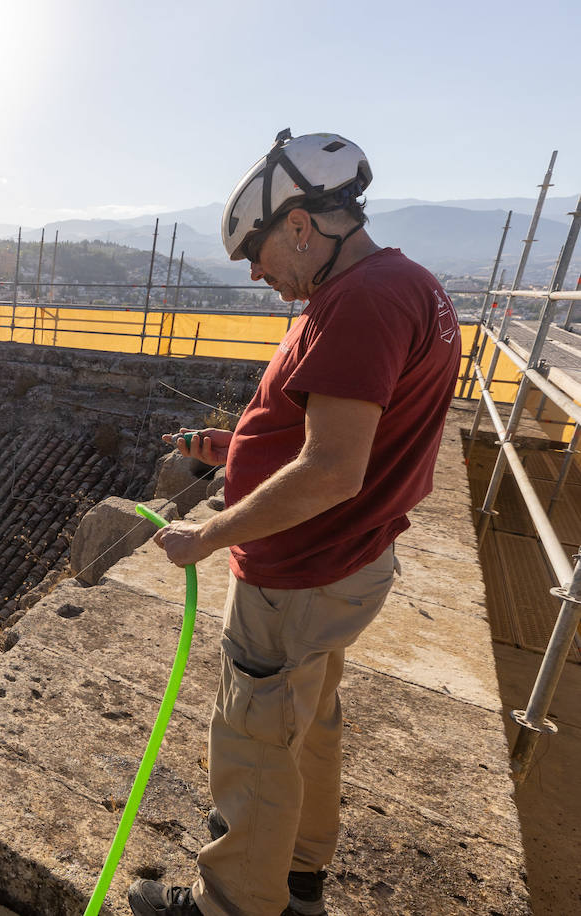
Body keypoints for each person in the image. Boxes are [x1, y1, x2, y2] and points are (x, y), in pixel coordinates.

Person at [128, 130, 460, 916]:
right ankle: (300, 881)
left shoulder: (362, 302)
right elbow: (337, 433)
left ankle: (235, 905)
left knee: (254, 744)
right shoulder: (398, 285)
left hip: (300, 573)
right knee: (308, 730)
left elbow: (332, 469)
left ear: (302, 226)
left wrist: (208, 536)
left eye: (257, 250)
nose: (254, 271)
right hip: (341, 565)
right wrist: (233, 446)